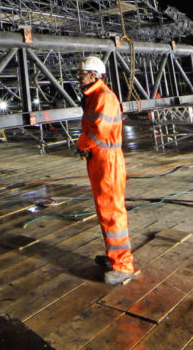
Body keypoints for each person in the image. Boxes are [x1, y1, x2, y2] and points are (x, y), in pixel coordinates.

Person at [76, 56, 135, 286]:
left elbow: (98, 132)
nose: (79, 78)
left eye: (82, 74)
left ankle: (123, 266)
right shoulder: (93, 97)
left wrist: (81, 144)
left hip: (107, 161)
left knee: (112, 212)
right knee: (104, 210)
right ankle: (114, 257)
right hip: (99, 159)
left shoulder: (104, 97)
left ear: (94, 75)